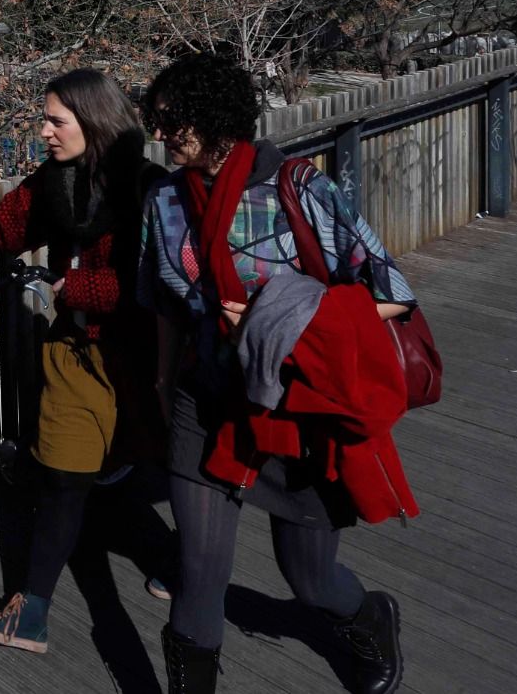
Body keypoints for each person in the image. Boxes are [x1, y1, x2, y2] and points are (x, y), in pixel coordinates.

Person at [139, 53, 415, 694]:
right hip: (204, 403)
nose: (159, 137)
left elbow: (394, 291)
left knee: (311, 580)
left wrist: (280, 318)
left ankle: (370, 618)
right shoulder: (164, 202)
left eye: (168, 123)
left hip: (294, 412)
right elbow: (164, 305)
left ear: (211, 119)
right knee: (199, 569)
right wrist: (159, 381)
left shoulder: (298, 188)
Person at [0, 69, 164, 658]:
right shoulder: (55, 183)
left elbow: (155, 282)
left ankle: (181, 562)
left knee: (139, 473)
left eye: (55, 121)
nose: (43, 131)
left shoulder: (149, 190)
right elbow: (2, 225)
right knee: (65, 478)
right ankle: (30, 612)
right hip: (72, 350)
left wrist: (76, 288)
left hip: (135, 358)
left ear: (93, 124)